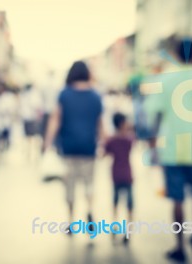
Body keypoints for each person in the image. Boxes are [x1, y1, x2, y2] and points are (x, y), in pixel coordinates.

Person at [144, 38, 192, 262]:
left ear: (176, 55)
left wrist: (152, 144)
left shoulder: (166, 80)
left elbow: (156, 116)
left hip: (173, 150)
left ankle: (179, 246)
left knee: (177, 200)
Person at [44, 61, 104, 232]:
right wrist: (104, 143)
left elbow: (56, 119)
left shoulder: (64, 95)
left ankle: (71, 221)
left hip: (68, 148)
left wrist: (47, 142)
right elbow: (100, 123)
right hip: (89, 148)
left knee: (69, 185)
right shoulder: (95, 96)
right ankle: (90, 210)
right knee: (89, 183)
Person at [104, 112, 134, 244]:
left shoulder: (112, 140)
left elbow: (104, 153)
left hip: (116, 174)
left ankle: (115, 225)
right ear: (122, 124)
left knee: (115, 201)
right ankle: (128, 229)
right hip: (127, 175)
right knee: (129, 203)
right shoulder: (128, 140)